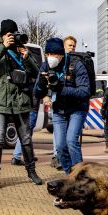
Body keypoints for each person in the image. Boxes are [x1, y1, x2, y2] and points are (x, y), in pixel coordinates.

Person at [0, 19, 42, 190]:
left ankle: (32, 172)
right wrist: (3, 47)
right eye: (9, 34)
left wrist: (27, 57)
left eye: (14, 34)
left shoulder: (21, 49)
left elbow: (36, 73)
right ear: (3, 35)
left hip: (20, 100)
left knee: (26, 138)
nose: (13, 37)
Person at [34, 37, 90, 175]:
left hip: (77, 109)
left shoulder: (76, 64)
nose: (51, 58)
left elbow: (85, 91)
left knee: (71, 141)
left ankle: (80, 177)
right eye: (48, 55)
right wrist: (41, 83)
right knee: (60, 146)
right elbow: (36, 93)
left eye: (55, 55)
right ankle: (68, 175)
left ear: (61, 54)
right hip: (59, 109)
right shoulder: (45, 65)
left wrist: (60, 88)